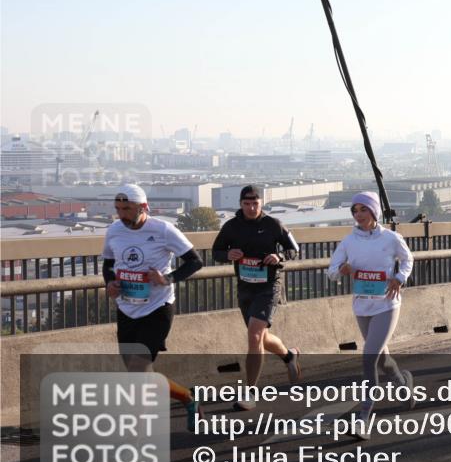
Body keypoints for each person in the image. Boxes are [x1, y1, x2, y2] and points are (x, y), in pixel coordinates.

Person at [101, 184, 204, 432]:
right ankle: (188, 398)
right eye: (118, 209)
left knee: (138, 372)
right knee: (140, 374)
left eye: (127, 209)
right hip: (127, 309)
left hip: (157, 308)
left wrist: (167, 279)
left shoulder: (163, 230)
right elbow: (108, 264)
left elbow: (195, 261)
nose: (121, 214)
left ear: (143, 207)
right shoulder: (114, 230)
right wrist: (110, 283)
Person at [326, 192, 415, 439]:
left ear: (374, 211)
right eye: (355, 210)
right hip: (362, 306)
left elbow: (407, 259)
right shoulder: (348, 241)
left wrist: (399, 278)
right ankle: (403, 386)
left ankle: (363, 419)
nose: (358, 214)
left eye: (363, 209)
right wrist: (341, 270)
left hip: (387, 305)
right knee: (382, 359)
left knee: (368, 359)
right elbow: (331, 271)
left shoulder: (391, 238)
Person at [212, 184, 302, 410]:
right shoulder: (231, 226)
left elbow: (293, 249)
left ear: (262, 203)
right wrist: (227, 254)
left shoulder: (273, 224)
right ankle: (289, 356)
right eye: (247, 204)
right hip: (245, 287)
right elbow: (216, 252)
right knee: (261, 337)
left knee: (254, 336)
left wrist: (278, 256)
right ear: (240, 204)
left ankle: (250, 393)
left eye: (255, 203)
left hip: (269, 286)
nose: (251, 208)